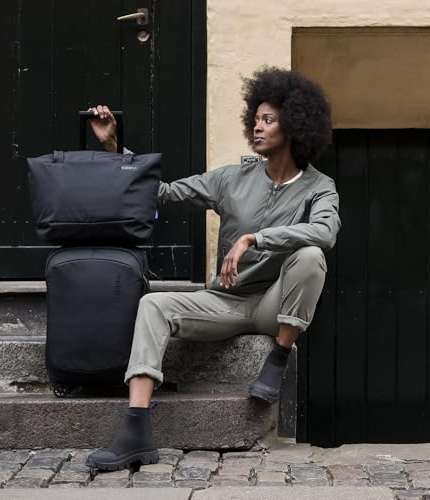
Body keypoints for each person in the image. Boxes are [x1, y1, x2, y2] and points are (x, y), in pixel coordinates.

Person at [85, 67, 340, 471]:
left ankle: (277, 359)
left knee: (310, 256)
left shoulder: (319, 187)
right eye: (255, 119)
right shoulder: (231, 179)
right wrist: (116, 149)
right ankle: (136, 431)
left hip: (273, 306)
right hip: (224, 301)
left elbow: (325, 232)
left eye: (268, 120)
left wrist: (254, 238)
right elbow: (164, 194)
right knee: (153, 305)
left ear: (294, 126)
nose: (257, 127)